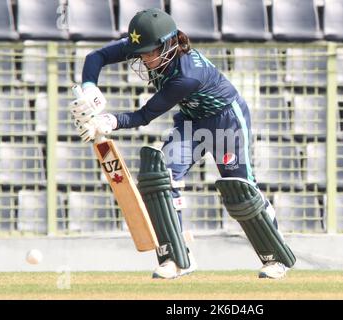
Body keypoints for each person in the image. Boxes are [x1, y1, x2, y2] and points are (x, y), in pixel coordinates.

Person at [70, 8, 296, 279]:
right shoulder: (147, 45)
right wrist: (89, 87)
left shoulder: (187, 75)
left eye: (149, 52)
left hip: (226, 120)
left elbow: (145, 115)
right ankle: (177, 259)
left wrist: (109, 122)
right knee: (161, 177)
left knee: (240, 190)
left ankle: (276, 256)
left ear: (168, 44)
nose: (143, 58)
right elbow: (97, 56)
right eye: (139, 51)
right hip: (191, 120)